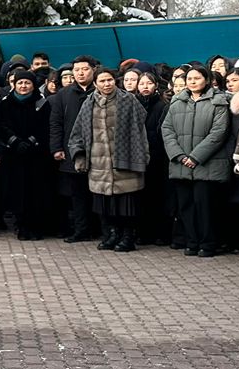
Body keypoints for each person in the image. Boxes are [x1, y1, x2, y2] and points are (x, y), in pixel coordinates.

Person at [67, 65, 149, 253]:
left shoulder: (129, 100)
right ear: (95, 83)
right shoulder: (89, 103)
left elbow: (140, 130)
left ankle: (127, 237)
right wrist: (80, 155)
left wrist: (143, 155)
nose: (107, 84)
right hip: (99, 163)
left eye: (110, 80)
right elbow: (77, 132)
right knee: (105, 203)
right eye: (102, 81)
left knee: (126, 203)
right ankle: (111, 235)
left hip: (125, 161)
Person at [162, 64, 232, 257]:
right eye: (189, 79)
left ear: (207, 80)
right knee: (186, 206)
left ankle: (208, 243)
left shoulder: (219, 102)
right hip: (181, 164)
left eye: (197, 78)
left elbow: (218, 133)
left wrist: (195, 157)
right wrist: (180, 155)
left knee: (206, 207)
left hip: (207, 165)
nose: (192, 82)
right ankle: (191, 241)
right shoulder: (176, 102)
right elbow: (167, 130)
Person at [0, 69, 54, 241]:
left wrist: (30, 141)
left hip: (36, 155)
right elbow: (1, 125)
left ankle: (36, 227)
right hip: (14, 156)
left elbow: (45, 126)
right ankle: (21, 226)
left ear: (33, 85)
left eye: (27, 83)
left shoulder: (41, 103)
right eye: (20, 83)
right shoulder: (6, 103)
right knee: (17, 191)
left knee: (36, 192)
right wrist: (15, 141)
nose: (23, 86)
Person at [49, 56, 97, 242]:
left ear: (93, 69)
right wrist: (56, 148)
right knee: (77, 195)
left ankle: (100, 229)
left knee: (98, 193)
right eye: (77, 70)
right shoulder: (64, 94)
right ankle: (81, 230)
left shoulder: (100, 90)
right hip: (72, 152)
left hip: (98, 151)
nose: (80, 73)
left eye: (84, 69)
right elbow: (56, 123)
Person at [134, 71, 171, 245]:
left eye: (149, 83)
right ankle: (144, 233)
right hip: (139, 157)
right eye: (142, 84)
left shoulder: (162, 106)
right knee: (142, 196)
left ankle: (162, 233)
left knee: (159, 196)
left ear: (156, 85)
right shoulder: (133, 104)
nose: (145, 87)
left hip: (158, 157)